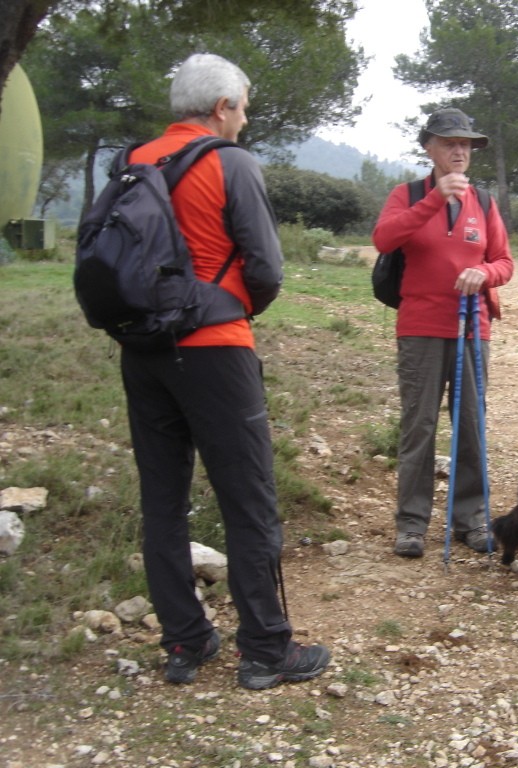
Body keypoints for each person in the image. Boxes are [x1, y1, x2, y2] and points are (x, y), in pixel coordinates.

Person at [121, 53, 330, 689]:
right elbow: (266, 269)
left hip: (143, 351)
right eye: (242, 105)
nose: (245, 117)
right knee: (248, 502)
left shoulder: (133, 161)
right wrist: (231, 306)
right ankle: (267, 649)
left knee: (163, 504)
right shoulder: (229, 162)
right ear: (221, 108)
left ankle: (185, 643)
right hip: (215, 349)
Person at [372, 107, 515, 559]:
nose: (460, 151)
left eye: (466, 144)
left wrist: (483, 273)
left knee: (471, 425)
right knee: (420, 425)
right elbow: (384, 239)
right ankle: (412, 525)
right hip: (420, 326)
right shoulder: (408, 194)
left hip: (474, 327)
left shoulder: (485, 203)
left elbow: (505, 263)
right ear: (429, 147)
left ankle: (470, 519)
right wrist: (435, 199)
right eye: (450, 143)